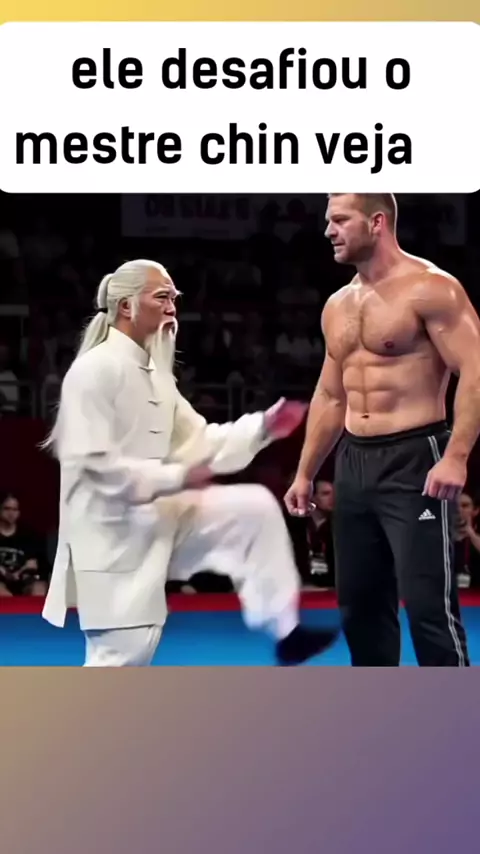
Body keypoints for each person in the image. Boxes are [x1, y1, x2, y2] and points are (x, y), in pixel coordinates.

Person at [42, 259, 339, 667]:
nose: (172, 308)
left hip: (153, 517)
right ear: (127, 306)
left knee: (253, 509)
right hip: (108, 532)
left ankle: (286, 630)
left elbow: (200, 440)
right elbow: (94, 464)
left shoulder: (154, 373)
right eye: (161, 297)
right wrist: (178, 476)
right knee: (124, 654)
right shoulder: (92, 370)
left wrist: (264, 427)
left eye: (174, 298)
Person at [285, 193, 480, 667]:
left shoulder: (431, 288)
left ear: (376, 222)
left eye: (339, 220)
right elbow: (331, 394)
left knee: (429, 606)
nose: (328, 230)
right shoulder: (338, 305)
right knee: (360, 607)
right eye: (328, 220)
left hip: (416, 457)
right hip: (354, 462)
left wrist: (456, 455)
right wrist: (305, 472)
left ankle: (453, 710)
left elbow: (475, 371)